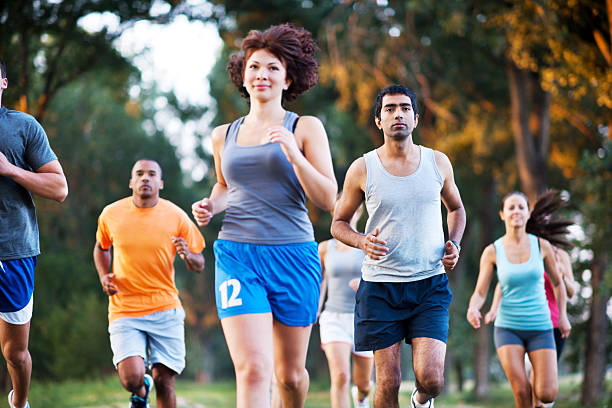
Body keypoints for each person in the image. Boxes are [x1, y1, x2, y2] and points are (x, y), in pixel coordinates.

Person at [191, 24, 336, 408]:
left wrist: (293, 153)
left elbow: (328, 198)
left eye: (273, 68)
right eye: (254, 67)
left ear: (288, 78)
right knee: (254, 369)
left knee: (289, 376)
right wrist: (210, 204)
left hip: (294, 255)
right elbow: (225, 186)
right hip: (238, 255)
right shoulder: (223, 135)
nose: (262, 75)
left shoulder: (305, 128)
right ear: (243, 75)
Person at [331, 84, 466, 408]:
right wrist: (362, 241)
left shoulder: (438, 162)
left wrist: (454, 243)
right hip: (380, 287)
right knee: (388, 384)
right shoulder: (363, 168)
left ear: (416, 118)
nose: (398, 114)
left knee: (431, 378)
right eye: (389, 109)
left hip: (428, 284)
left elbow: (457, 209)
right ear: (379, 120)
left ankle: (421, 400)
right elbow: (338, 223)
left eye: (405, 108)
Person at [94, 159, 205, 408]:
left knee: (165, 380)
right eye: (140, 174)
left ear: (160, 183)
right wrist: (104, 275)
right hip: (125, 307)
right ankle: (140, 391)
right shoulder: (111, 213)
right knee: (131, 378)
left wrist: (188, 254)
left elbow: (199, 264)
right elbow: (102, 248)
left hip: (165, 307)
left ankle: (149, 388)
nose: (146, 178)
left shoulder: (176, 216)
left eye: (152, 174)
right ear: (131, 182)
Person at [0, 58, 68, 408]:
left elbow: (59, 188)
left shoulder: (23, 127)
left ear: (4, 84)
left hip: (13, 251)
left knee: (14, 352)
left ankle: (20, 402)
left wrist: (10, 169)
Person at [467, 191, 572, 408]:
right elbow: (480, 292)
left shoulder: (541, 246)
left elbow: (558, 283)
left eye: (521, 207)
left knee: (547, 393)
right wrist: (473, 308)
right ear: (502, 214)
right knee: (522, 392)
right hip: (508, 328)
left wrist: (563, 316)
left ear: (528, 213)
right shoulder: (492, 251)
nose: (516, 211)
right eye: (511, 207)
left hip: (541, 326)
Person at [318, 200, 373, 408]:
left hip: (363, 319)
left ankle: (361, 399)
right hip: (333, 318)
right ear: (334, 212)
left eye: (351, 208)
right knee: (340, 376)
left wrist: (364, 284)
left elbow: (380, 277)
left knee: (364, 383)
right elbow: (321, 280)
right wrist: (315, 308)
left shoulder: (367, 245)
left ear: (359, 212)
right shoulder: (325, 248)